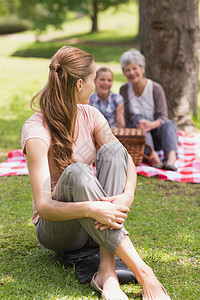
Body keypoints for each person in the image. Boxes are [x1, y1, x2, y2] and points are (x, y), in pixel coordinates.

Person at [21, 45, 171, 300]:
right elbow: (44, 206)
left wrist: (127, 196)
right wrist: (92, 209)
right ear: (80, 84)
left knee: (113, 152)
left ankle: (107, 273)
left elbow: (126, 161)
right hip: (58, 230)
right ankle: (146, 275)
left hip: (97, 221)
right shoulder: (36, 129)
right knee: (78, 172)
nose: (96, 86)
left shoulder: (91, 114)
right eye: (93, 80)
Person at [119, 48, 178, 171]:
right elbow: (127, 118)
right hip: (139, 139)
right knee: (137, 118)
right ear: (124, 73)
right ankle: (154, 158)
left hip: (157, 135)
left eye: (135, 68)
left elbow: (163, 116)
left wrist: (150, 125)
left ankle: (171, 159)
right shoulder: (124, 90)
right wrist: (141, 125)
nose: (131, 72)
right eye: (127, 70)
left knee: (169, 124)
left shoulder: (155, 88)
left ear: (142, 69)